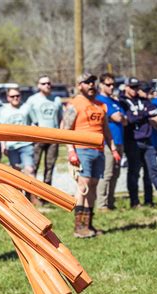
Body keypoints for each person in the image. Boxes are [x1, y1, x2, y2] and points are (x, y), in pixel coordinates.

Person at [62, 73, 119, 238]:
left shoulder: (101, 105)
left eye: (93, 82)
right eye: (87, 83)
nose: (91, 85)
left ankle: (88, 224)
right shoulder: (74, 104)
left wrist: (113, 148)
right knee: (83, 186)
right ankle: (79, 227)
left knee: (93, 185)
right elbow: (65, 130)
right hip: (81, 150)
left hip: (98, 150)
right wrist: (71, 151)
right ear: (80, 85)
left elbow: (106, 129)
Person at [119, 77, 157, 207]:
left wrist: (140, 115)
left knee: (151, 171)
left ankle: (149, 200)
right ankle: (134, 201)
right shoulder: (122, 101)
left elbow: (154, 114)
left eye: (137, 87)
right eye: (132, 87)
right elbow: (127, 119)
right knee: (134, 172)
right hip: (132, 141)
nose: (135, 90)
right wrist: (143, 115)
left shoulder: (143, 100)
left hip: (148, 139)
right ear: (126, 87)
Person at [95, 73, 127, 211]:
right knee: (107, 173)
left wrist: (120, 117)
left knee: (116, 173)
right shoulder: (100, 101)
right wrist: (119, 117)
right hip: (108, 142)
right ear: (101, 85)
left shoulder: (115, 101)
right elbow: (118, 117)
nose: (111, 87)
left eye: (113, 84)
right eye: (108, 84)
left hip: (120, 140)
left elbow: (125, 120)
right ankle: (102, 204)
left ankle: (111, 202)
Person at [26, 75, 63, 188]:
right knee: (34, 165)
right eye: (43, 83)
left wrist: (60, 133)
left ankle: (46, 194)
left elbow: (61, 119)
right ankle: (30, 191)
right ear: (38, 85)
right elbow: (26, 118)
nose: (47, 85)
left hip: (53, 137)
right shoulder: (32, 100)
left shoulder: (57, 99)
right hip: (37, 137)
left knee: (50, 166)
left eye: (48, 83)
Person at [0, 87, 35, 177]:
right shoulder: (4, 111)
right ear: (8, 97)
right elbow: (2, 130)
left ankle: (31, 191)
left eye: (17, 95)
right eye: (12, 96)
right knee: (16, 172)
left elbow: (34, 123)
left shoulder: (27, 108)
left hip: (26, 144)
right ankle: (18, 191)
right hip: (12, 146)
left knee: (30, 170)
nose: (15, 98)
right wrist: (3, 146)